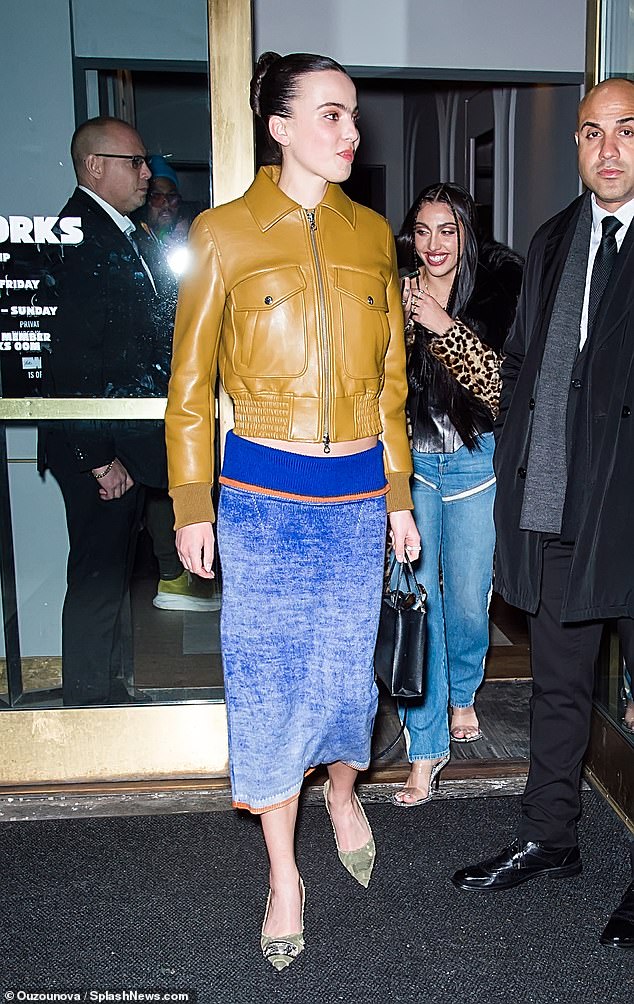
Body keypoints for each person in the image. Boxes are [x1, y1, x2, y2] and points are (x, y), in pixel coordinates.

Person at [165, 51, 418, 969]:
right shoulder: (225, 233)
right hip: (263, 503)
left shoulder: (370, 234)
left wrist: (399, 497)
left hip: (355, 501)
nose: (350, 132)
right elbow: (189, 385)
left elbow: (391, 386)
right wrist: (194, 503)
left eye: (352, 116)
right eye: (331, 114)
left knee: (348, 690)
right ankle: (283, 874)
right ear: (278, 126)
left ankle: (343, 794)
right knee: (270, 698)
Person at [450, 78, 634, 948]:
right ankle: (549, 836)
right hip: (563, 507)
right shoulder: (555, 237)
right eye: (592, 133)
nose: (608, 150)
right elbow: (522, 367)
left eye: (627, 132)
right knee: (557, 687)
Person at [391, 183, 522, 806]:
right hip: (411, 464)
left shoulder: (496, 294)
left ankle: (464, 690)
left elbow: (500, 390)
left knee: (469, 602)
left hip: (475, 465)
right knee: (421, 602)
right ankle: (425, 746)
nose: (433, 244)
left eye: (447, 230)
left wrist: (443, 327)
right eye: (422, 230)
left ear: (467, 234)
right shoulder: (393, 292)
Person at [39, 116, 168, 705]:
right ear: (95, 167)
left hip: (118, 443)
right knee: (96, 571)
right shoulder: (79, 236)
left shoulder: (115, 231)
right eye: (134, 162)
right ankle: (90, 703)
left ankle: (108, 692)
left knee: (111, 569)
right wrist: (98, 458)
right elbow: (69, 358)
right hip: (97, 446)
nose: (146, 173)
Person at [134, 158, 219, 613]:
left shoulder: (189, 241)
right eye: (156, 196)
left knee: (173, 474)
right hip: (149, 387)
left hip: (181, 375)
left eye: (171, 196)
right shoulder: (139, 246)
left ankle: (183, 574)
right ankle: (171, 573)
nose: (164, 203)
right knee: (161, 481)